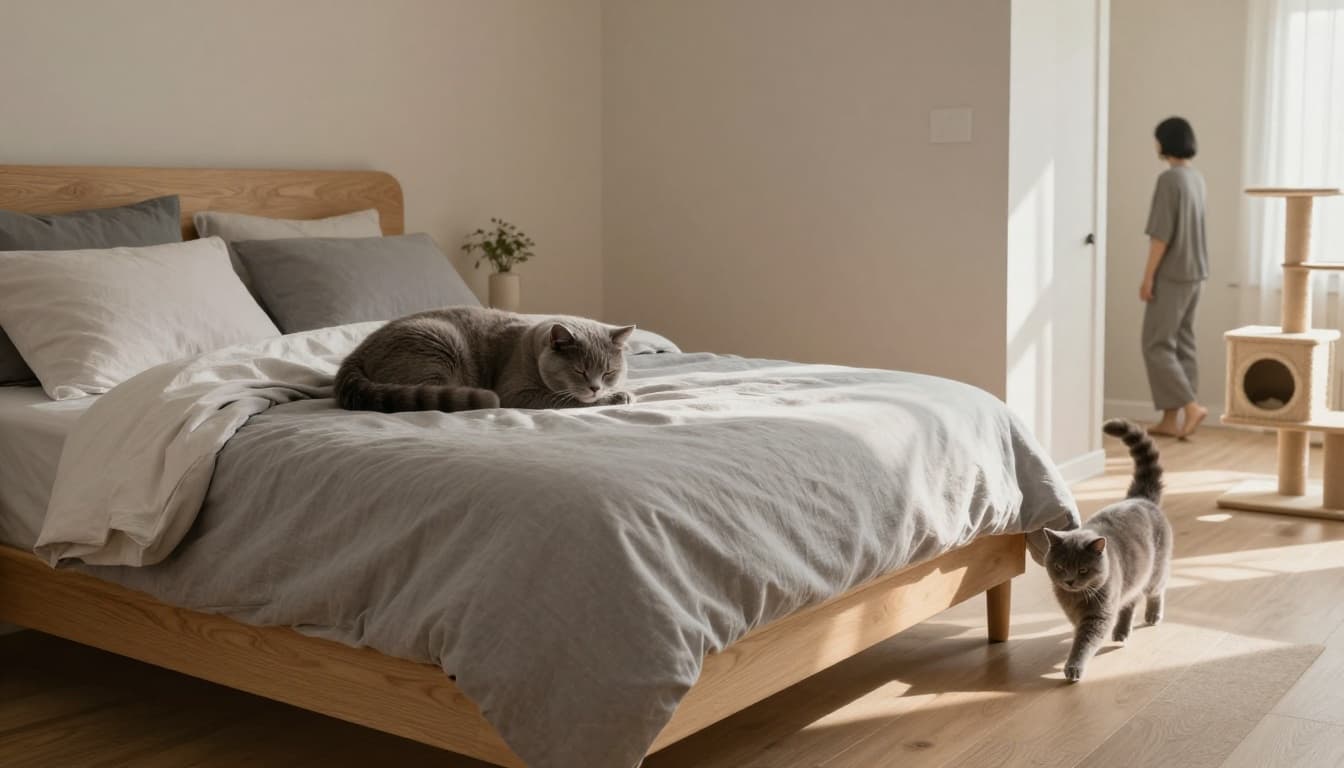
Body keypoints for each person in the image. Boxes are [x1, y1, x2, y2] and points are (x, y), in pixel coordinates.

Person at [1140, 116, 1208, 438]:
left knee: (1156, 345)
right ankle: (1172, 420)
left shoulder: (1169, 181)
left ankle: (1190, 407)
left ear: (1165, 142)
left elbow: (1160, 237)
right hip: (1196, 273)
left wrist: (1148, 277)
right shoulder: (1196, 179)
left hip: (1173, 273)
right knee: (1183, 345)